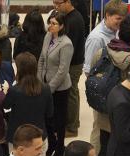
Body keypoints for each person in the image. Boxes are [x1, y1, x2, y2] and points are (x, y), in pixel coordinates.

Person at [90, 14, 130, 156]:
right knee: (119, 152)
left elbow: (91, 74)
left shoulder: (102, 51)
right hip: (121, 111)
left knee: (103, 147)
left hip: (103, 106)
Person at [84, 1, 130, 156]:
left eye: (123, 19)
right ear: (106, 16)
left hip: (116, 92)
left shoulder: (116, 32)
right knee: (99, 129)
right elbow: (88, 70)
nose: (121, 22)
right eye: (118, 18)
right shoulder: (96, 38)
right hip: (102, 93)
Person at [4, 52, 54, 156]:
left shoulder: (15, 90)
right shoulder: (46, 88)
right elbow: (50, 113)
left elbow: (5, 105)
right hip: (39, 137)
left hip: (18, 139)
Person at [38, 12, 73, 156]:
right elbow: (41, 59)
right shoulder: (47, 37)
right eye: (49, 22)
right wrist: (40, 80)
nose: (50, 26)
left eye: (54, 24)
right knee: (47, 118)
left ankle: (60, 149)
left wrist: (50, 88)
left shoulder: (66, 44)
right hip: (45, 85)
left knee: (59, 120)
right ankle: (52, 144)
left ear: (62, 26)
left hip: (60, 88)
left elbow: (62, 70)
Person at [53, 0, 87, 138]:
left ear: (68, 2)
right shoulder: (68, 16)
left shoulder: (74, 20)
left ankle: (72, 128)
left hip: (73, 64)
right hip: (71, 62)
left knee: (71, 93)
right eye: (54, 3)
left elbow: (68, 47)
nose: (56, 6)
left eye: (58, 3)